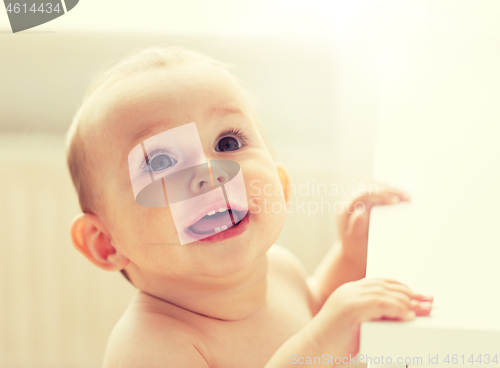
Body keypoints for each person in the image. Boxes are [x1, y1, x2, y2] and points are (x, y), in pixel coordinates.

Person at [66, 46, 433, 368]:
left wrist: (353, 254)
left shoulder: (279, 267)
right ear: (105, 243)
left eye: (227, 142)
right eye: (161, 163)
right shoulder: (151, 347)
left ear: (280, 184)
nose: (210, 174)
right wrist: (322, 341)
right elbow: (322, 334)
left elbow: (315, 308)